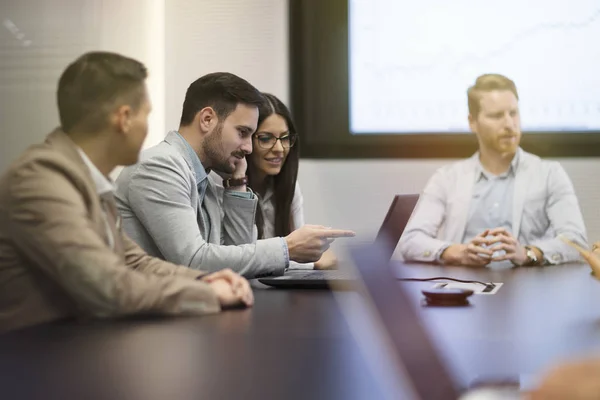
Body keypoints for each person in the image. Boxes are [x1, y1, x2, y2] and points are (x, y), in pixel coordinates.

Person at [0, 52, 253, 334]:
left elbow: (133, 260)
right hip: (29, 360)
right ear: (124, 118)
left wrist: (206, 279)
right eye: (147, 115)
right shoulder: (39, 179)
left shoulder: (87, 179)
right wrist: (209, 294)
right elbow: (106, 285)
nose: (148, 127)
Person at [114, 73, 354, 278]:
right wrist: (287, 248)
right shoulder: (160, 165)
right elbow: (194, 262)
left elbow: (235, 257)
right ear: (207, 119)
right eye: (243, 133)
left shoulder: (203, 174)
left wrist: (237, 184)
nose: (249, 148)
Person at [398, 73, 588, 267]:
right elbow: (411, 240)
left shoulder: (550, 174)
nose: (509, 124)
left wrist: (528, 253)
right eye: (496, 116)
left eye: (513, 113)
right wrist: (456, 252)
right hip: (463, 288)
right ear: (473, 122)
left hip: (529, 289)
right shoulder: (447, 178)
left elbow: (576, 240)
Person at [243, 92, 337, 270]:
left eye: (285, 138)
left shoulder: (288, 187)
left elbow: (301, 252)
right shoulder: (230, 188)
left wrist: (313, 254)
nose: (279, 148)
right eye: (265, 138)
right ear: (245, 140)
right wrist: (314, 263)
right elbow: (243, 259)